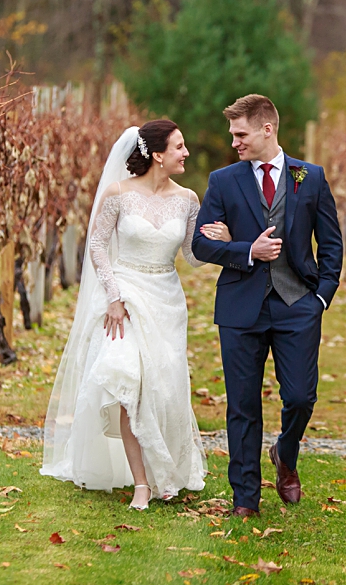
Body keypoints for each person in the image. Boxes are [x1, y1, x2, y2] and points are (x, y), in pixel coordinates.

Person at [40, 120, 230, 510]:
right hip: (125, 298)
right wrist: (113, 295)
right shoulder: (118, 193)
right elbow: (96, 246)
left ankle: (166, 470)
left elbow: (192, 258)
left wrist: (222, 242)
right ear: (158, 154)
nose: (186, 153)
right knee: (129, 385)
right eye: (179, 146)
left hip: (166, 300)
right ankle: (141, 483)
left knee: (164, 388)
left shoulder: (189, 199)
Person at [191, 94, 343, 517]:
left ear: (266, 129)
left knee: (299, 396)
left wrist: (320, 298)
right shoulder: (223, 180)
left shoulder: (308, 177)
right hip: (241, 306)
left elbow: (331, 243)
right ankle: (245, 499)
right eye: (232, 135)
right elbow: (201, 244)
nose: (235, 142)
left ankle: (285, 451)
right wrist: (246, 250)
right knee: (242, 405)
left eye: (241, 134)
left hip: (298, 304)